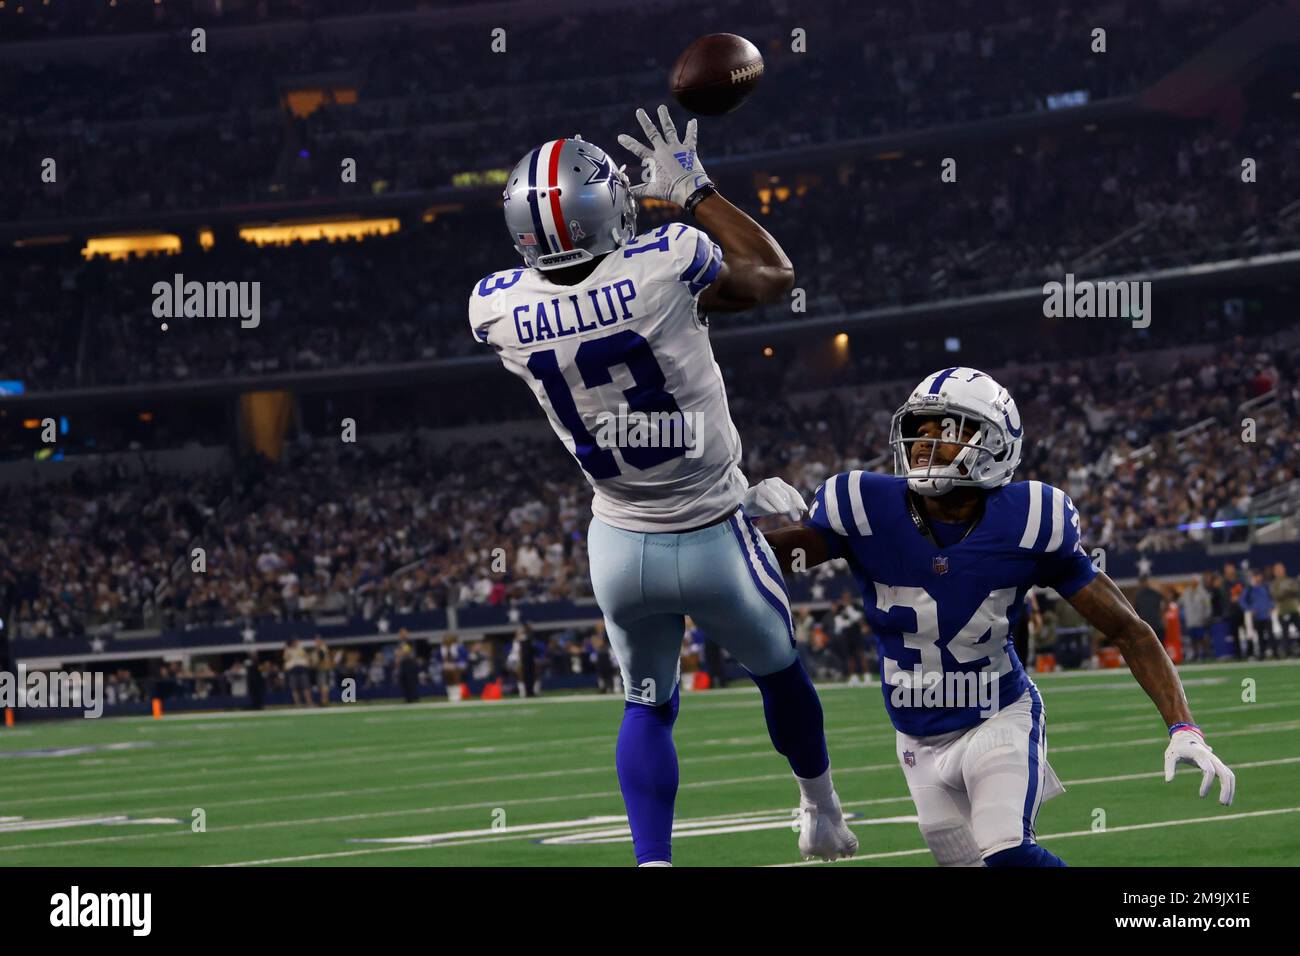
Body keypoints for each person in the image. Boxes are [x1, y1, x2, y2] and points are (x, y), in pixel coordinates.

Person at [467, 107, 855, 866]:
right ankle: (821, 813)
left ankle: (653, 864)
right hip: (712, 532)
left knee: (647, 705)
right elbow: (773, 275)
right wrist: (694, 190)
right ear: (609, 208)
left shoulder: (496, 307)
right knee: (779, 674)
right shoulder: (669, 258)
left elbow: (577, 301)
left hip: (617, 542)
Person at [764, 367, 1236, 867]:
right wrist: (726, 522)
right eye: (920, 430)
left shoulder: (1029, 520)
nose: (926, 443)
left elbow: (1128, 629)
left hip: (998, 716)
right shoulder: (863, 506)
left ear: (994, 443)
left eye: (946, 431)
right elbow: (759, 563)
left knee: (1007, 852)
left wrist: (1184, 729)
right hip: (915, 738)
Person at [1239, 570, 1276, 659]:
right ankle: (1261, 654)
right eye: (1256, 576)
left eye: (1259, 576)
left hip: (1266, 616)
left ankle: (1275, 653)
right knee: (1259, 636)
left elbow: (1272, 599)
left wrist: (1271, 607)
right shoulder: (1249, 589)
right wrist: (1249, 609)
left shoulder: (1265, 587)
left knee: (1271, 635)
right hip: (1256, 617)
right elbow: (1242, 601)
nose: (1258, 578)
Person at [1179, 575, 1212, 662]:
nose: (1193, 583)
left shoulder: (1203, 592)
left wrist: (1206, 616)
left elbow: (1208, 605)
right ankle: (1196, 654)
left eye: (1195, 581)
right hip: (1190, 619)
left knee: (1202, 638)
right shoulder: (1186, 592)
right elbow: (1181, 603)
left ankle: (1206, 653)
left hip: (1200, 619)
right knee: (1193, 639)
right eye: (1192, 581)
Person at [1270, 563, 1298, 657]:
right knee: (1285, 634)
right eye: (1277, 569)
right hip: (1283, 611)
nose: (1280, 571)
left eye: (1281, 569)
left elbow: (1296, 590)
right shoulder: (1274, 583)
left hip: (1293, 610)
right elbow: (1276, 596)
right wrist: (1287, 591)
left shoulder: (1290, 580)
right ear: (1274, 572)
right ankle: (1288, 653)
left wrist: (1285, 591)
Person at [282, 638, 311, 707]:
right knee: (294, 688)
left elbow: (307, 658)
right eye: (295, 642)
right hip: (293, 671)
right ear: (292, 643)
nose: (296, 643)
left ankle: (309, 702)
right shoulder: (288, 650)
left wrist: (307, 662)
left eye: (297, 642)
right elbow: (285, 659)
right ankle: (298, 703)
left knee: (306, 687)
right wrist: (287, 650)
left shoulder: (301, 649)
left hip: (302, 669)